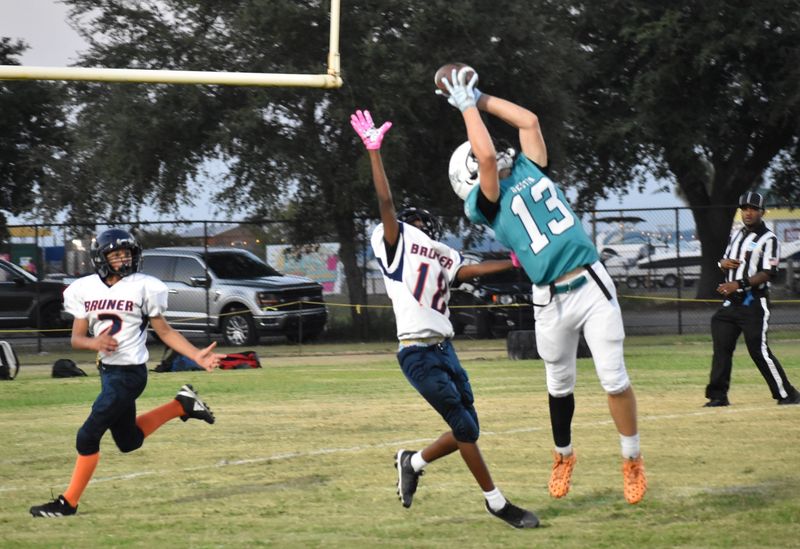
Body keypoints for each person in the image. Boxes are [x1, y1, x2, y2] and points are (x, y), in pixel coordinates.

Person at [439, 68, 647, 504]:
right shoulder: (482, 203)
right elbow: (487, 158)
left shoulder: (528, 166)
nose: (492, 151)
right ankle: (563, 455)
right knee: (559, 384)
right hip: (549, 297)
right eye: (479, 155)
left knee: (614, 379)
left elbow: (529, 121)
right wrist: (465, 109)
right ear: (469, 177)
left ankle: (631, 458)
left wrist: (479, 96)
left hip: (589, 282)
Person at [350, 108, 539, 528]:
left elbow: (466, 270)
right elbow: (386, 203)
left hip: (444, 349)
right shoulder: (397, 240)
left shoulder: (440, 252)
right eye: (413, 220)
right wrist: (374, 152)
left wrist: (512, 262)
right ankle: (496, 503)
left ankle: (413, 462)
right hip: (418, 352)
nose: (417, 223)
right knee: (464, 427)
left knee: (468, 427)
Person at [30, 228, 224, 518]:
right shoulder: (84, 288)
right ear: (101, 258)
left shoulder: (144, 286)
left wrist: (196, 355)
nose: (123, 259)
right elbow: (77, 339)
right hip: (108, 372)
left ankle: (68, 503)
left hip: (130, 374)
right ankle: (182, 404)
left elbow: (165, 332)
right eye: (116, 254)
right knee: (128, 441)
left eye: (127, 254)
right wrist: (95, 342)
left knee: (87, 436)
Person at [704, 192, 800, 407]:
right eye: (745, 208)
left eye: (753, 209)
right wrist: (722, 264)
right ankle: (718, 396)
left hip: (754, 302)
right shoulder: (737, 234)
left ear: (762, 212)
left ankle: (788, 394)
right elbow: (725, 261)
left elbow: (768, 273)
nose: (748, 213)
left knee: (758, 350)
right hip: (731, 303)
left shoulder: (769, 239)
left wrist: (738, 284)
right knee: (722, 348)